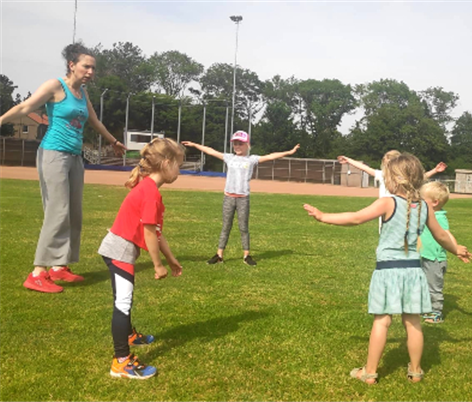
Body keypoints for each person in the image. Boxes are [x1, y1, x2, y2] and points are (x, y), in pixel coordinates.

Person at [304, 151, 472, 384]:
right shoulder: (424, 206)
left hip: (387, 271)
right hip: (414, 271)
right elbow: (441, 235)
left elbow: (355, 218)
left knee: (382, 321)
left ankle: (370, 372)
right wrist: (456, 249)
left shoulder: (387, 202)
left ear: (395, 180)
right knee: (413, 322)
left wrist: (323, 216)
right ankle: (416, 371)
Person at [0, 42, 126, 293]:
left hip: (75, 157)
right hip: (54, 155)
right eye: (86, 66)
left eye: (93, 68)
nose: (90, 72)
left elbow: (94, 121)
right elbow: (25, 107)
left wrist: (113, 141)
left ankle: (59, 266)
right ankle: (37, 273)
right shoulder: (55, 86)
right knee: (57, 212)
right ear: (71, 65)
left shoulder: (83, 94)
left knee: (73, 214)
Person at [98, 137, 184, 379]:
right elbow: (149, 233)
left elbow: (156, 231)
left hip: (118, 250)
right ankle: (121, 362)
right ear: (166, 163)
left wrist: (171, 259)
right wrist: (157, 265)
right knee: (122, 303)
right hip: (119, 252)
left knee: (123, 300)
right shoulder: (151, 193)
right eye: (178, 165)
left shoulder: (148, 188)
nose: (179, 171)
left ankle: (129, 335)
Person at [182, 131, 299, 266]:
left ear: (247, 145)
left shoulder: (252, 159)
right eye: (235, 144)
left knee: (243, 228)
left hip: (243, 198)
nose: (237, 146)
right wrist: (195, 145)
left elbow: (271, 156)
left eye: (240, 144)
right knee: (226, 227)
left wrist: (289, 152)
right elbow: (211, 151)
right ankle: (219, 255)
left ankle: (246, 255)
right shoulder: (229, 158)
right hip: (228, 197)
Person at [337, 155, 447, 232]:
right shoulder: (382, 175)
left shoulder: (402, 180)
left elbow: (419, 177)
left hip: (396, 210)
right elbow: (364, 168)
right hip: (385, 210)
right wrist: (349, 160)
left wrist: (435, 170)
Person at [419, 181, 457, 324]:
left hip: (434, 258)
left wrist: (456, 249)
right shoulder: (424, 215)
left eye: (422, 199)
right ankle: (425, 307)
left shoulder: (439, 217)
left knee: (434, 286)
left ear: (434, 202)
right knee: (423, 283)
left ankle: (436, 312)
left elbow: (446, 234)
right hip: (424, 255)